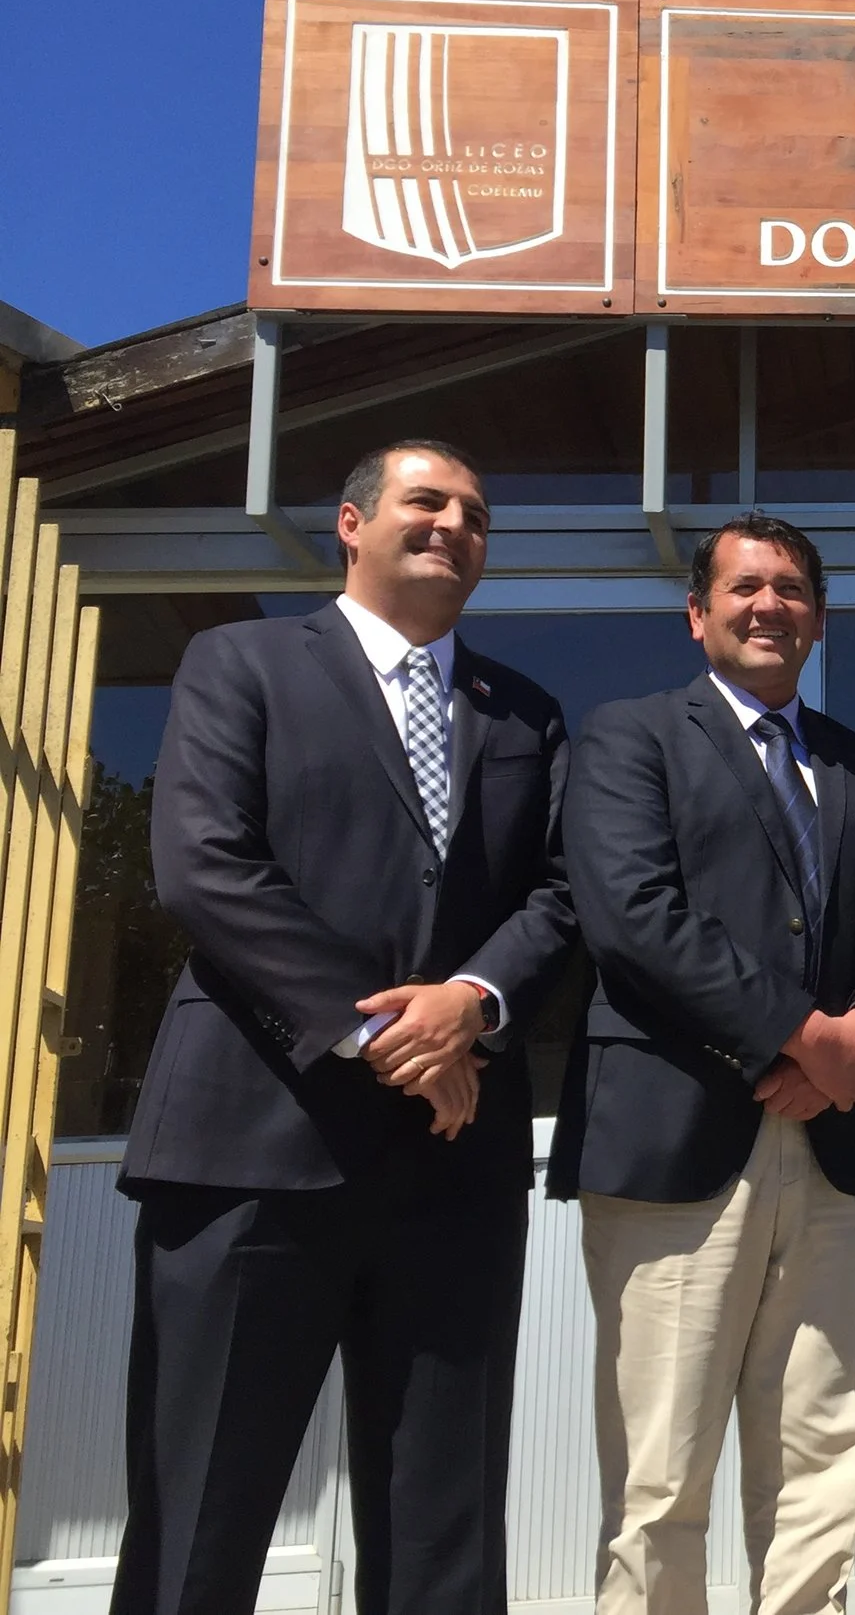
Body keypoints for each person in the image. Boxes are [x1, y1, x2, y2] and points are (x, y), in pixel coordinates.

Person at [113, 440, 576, 1615]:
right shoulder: (242, 662)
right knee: (201, 1512)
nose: (454, 526)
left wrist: (469, 1002)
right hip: (250, 1149)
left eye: (476, 514)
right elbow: (205, 868)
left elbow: (563, 897)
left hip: (452, 1170)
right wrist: (383, 1037)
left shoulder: (523, 710)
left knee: (445, 1527)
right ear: (352, 525)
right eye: (427, 503)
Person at [551, 512, 855, 1615]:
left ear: (818, 620)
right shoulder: (631, 736)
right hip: (675, 1144)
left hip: (834, 1149)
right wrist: (800, 1035)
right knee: (659, 1467)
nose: (768, 604)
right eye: (744, 586)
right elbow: (632, 917)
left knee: (825, 1447)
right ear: (698, 613)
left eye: (790, 589)